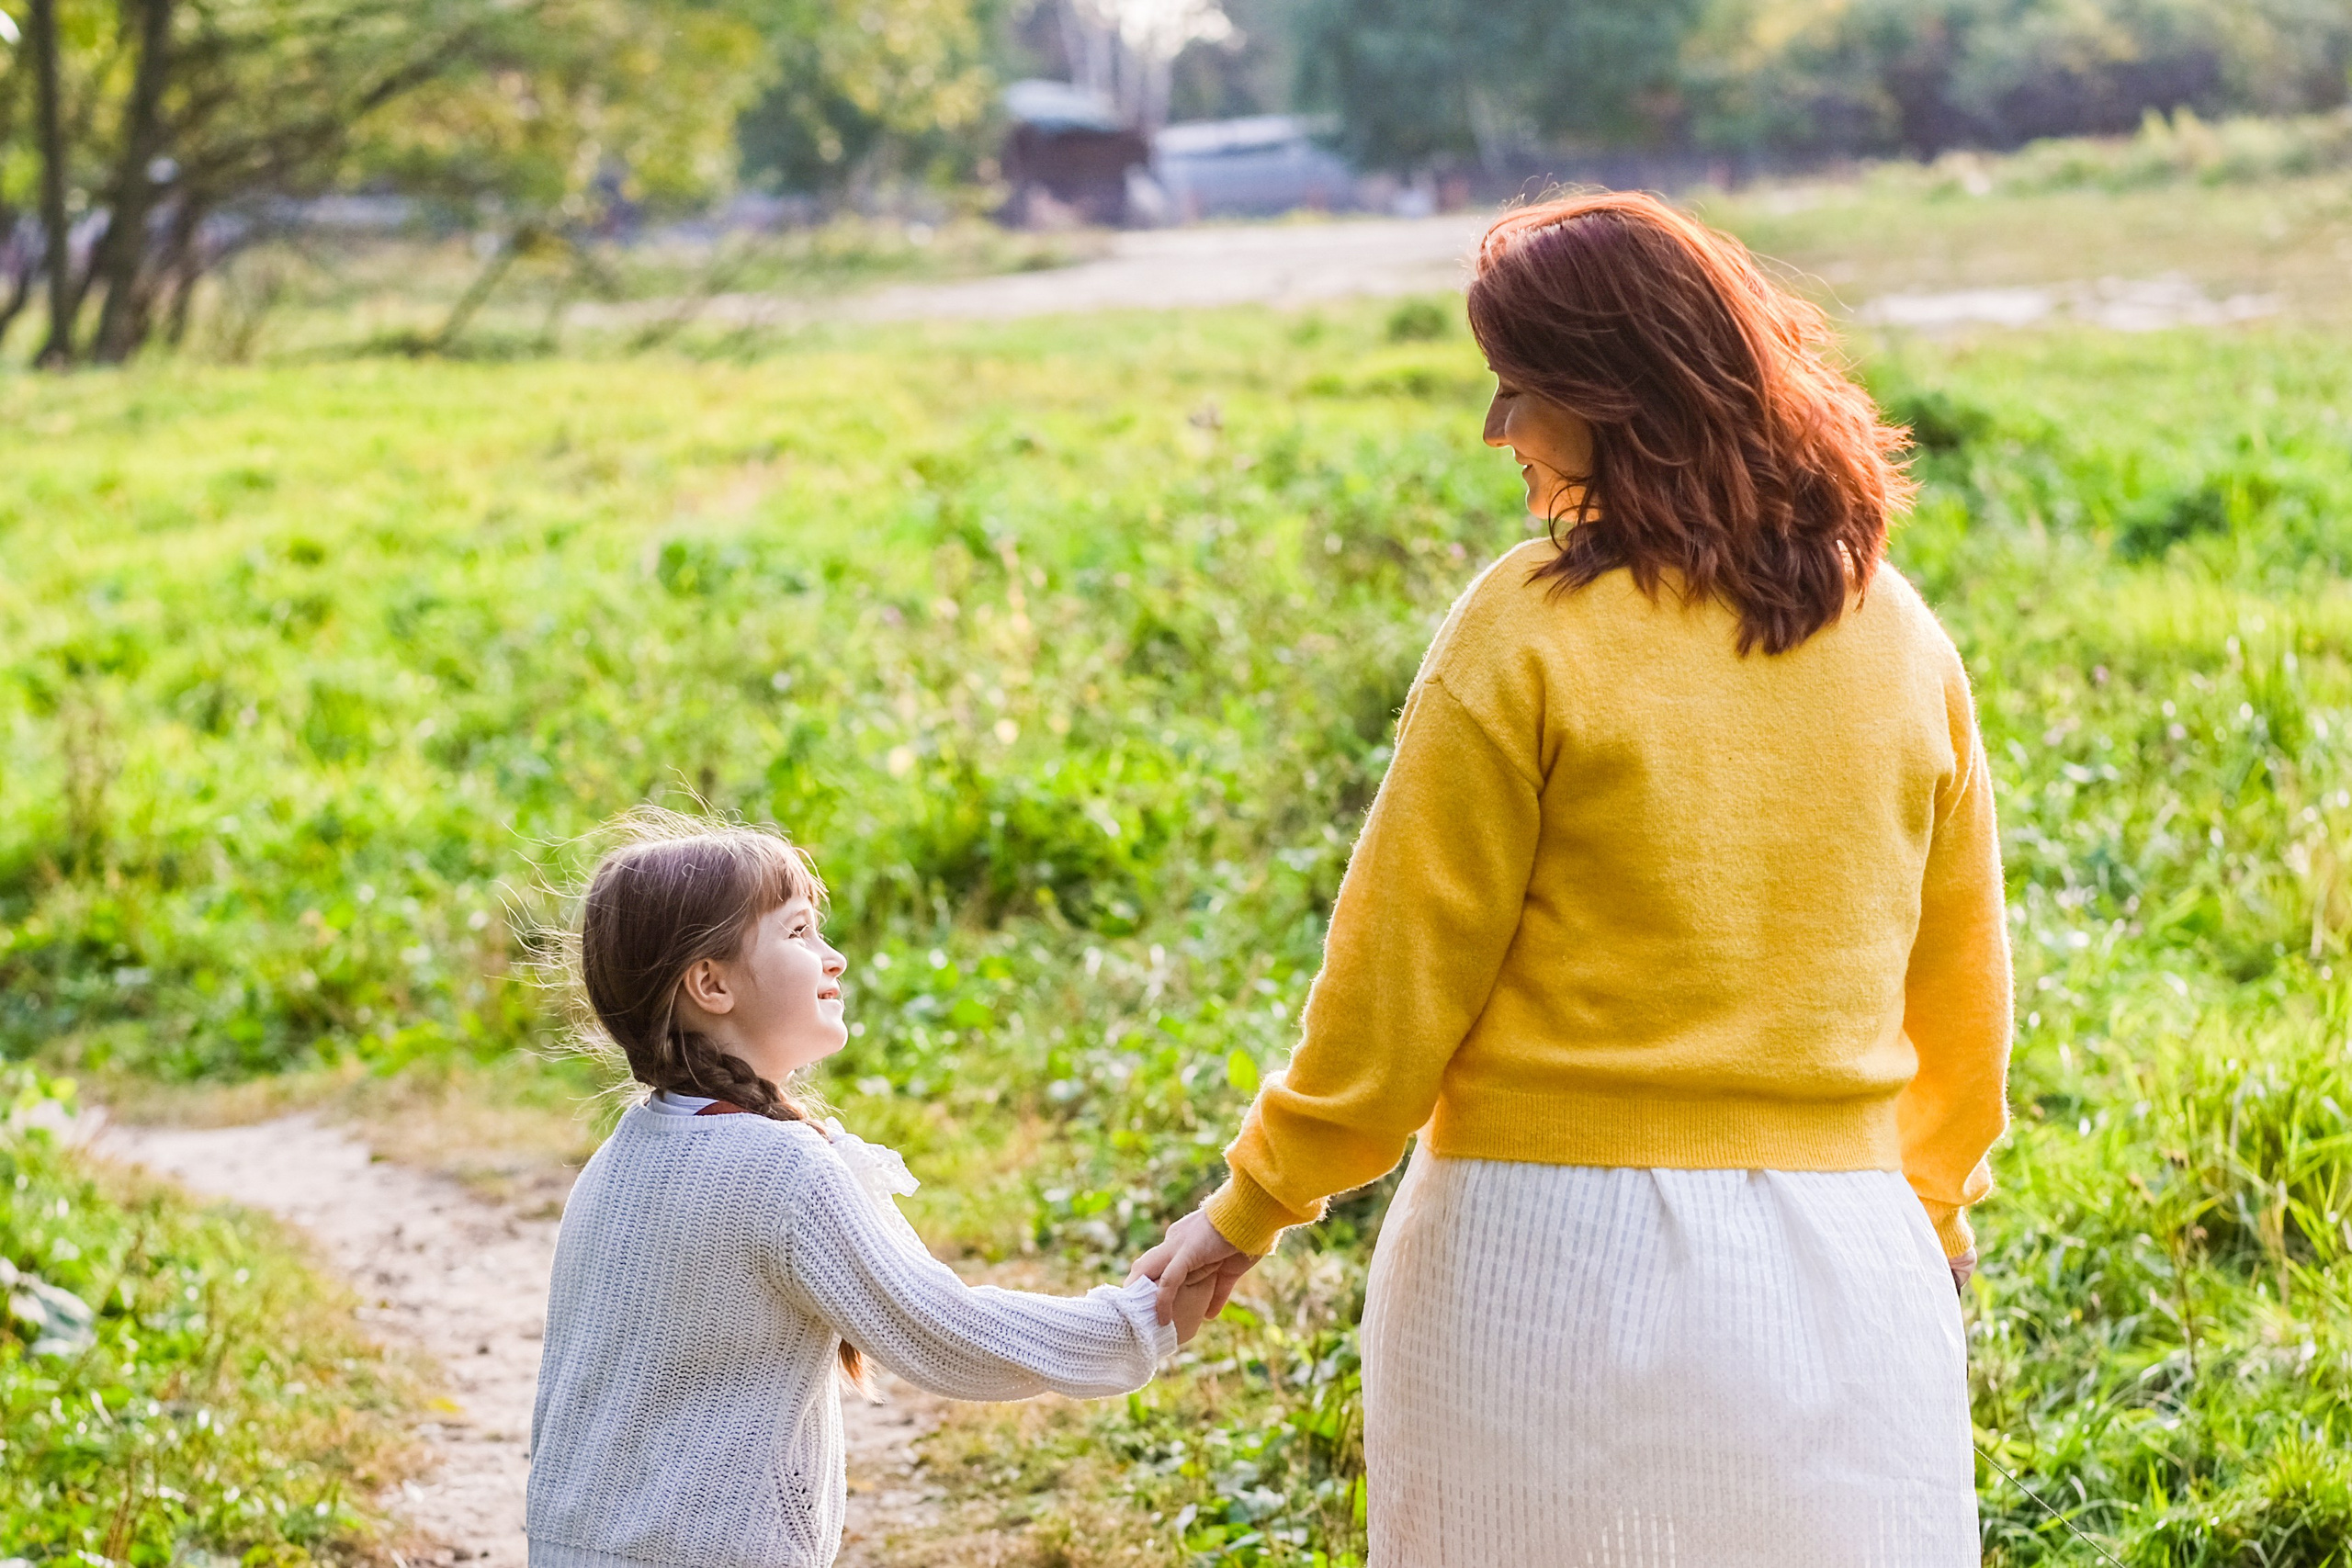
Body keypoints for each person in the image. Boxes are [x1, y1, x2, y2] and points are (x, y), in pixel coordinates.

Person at [1134, 190, 2011, 1566]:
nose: (1500, 432)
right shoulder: (1899, 633)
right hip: (1856, 1267)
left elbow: (1392, 993)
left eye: (1520, 387)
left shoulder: (1523, 628)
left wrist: (1247, 1208)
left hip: (1540, 1265)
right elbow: (1960, 996)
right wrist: (1935, 1206)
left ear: (1621, 394)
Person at [527, 811, 1214, 1568]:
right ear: (711, 982)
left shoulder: (621, 1158)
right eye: (797, 933)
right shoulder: (782, 1174)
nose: (835, 957)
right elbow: (947, 1332)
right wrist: (1133, 1324)